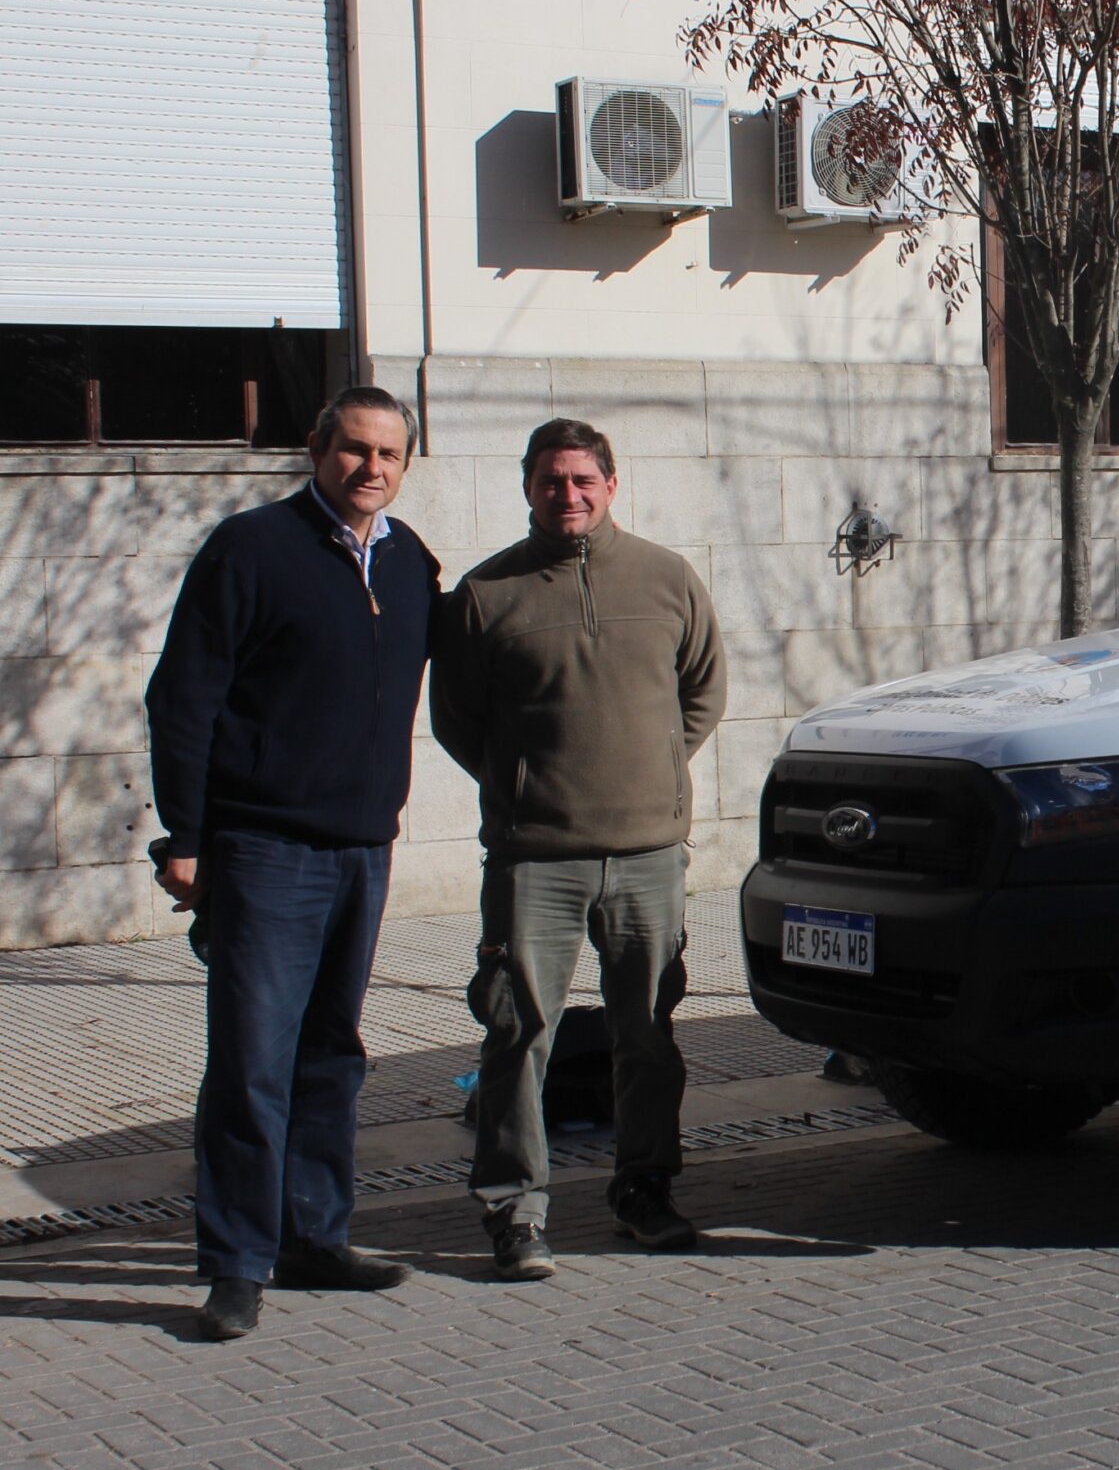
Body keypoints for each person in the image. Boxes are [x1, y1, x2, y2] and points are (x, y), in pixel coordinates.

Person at [145, 386, 441, 1341]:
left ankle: (315, 1237)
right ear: (318, 450)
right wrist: (186, 837)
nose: (371, 468)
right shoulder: (252, 548)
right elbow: (182, 698)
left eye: (388, 454)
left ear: (405, 465)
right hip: (264, 849)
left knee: (330, 1055)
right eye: (354, 448)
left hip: (362, 847)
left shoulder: (410, 562)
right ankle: (237, 1264)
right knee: (251, 1063)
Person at [431, 418, 726, 1280]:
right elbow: (458, 722)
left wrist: (655, 775)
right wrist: (530, 788)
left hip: (649, 856)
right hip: (535, 860)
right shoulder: (487, 595)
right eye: (551, 480)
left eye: (583, 479)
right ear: (528, 487)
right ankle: (516, 1213)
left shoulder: (668, 579)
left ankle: (644, 1190)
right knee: (518, 1036)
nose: (568, 494)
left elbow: (703, 693)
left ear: (611, 485)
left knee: (648, 1037)